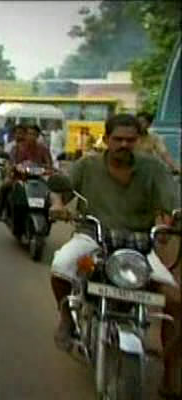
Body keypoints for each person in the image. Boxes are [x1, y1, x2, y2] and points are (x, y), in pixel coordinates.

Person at [48, 114, 179, 395]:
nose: (123, 144)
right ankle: (67, 318)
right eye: (117, 139)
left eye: (130, 140)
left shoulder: (153, 168)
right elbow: (62, 192)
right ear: (106, 140)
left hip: (138, 245)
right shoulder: (87, 165)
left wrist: (167, 225)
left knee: (175, 300)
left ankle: (171, 373)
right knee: (60, 266)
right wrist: (58, 205)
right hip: (92, 238)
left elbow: (171, 205)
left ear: (138, 141)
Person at [0, 124, 51, 220]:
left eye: (34, 134)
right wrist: (13, 167)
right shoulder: (17, 147)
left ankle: (49, 213)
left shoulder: (43, 149)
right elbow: (11, 162)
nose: (31, 136)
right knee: (5, 185)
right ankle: (1, 211)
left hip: (37, 178)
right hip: (18, 176)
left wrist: (46, 168)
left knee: (51, 190)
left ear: (37, 136)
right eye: (29, 134)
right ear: (25, 135)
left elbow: (49, 164)